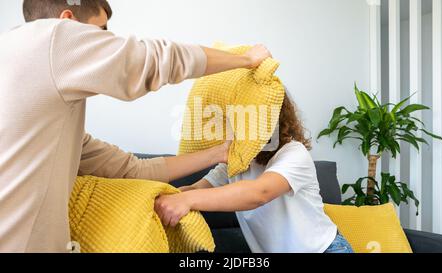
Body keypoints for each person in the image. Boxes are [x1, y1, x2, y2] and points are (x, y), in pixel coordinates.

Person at [0, 0, 272, 253]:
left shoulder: (40, 111)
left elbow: (132, 170)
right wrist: (245, 60)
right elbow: (156, 58)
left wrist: (218, 153)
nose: (107, 41)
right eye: (100, 31)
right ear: (67, 22)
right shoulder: (50, 39)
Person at [155, 94, 354, 253]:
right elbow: (198, 187)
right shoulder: (237, 161)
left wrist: (188, 199)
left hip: (326, 249)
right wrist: (167, 197)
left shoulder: (294, 153)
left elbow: (260, 193)